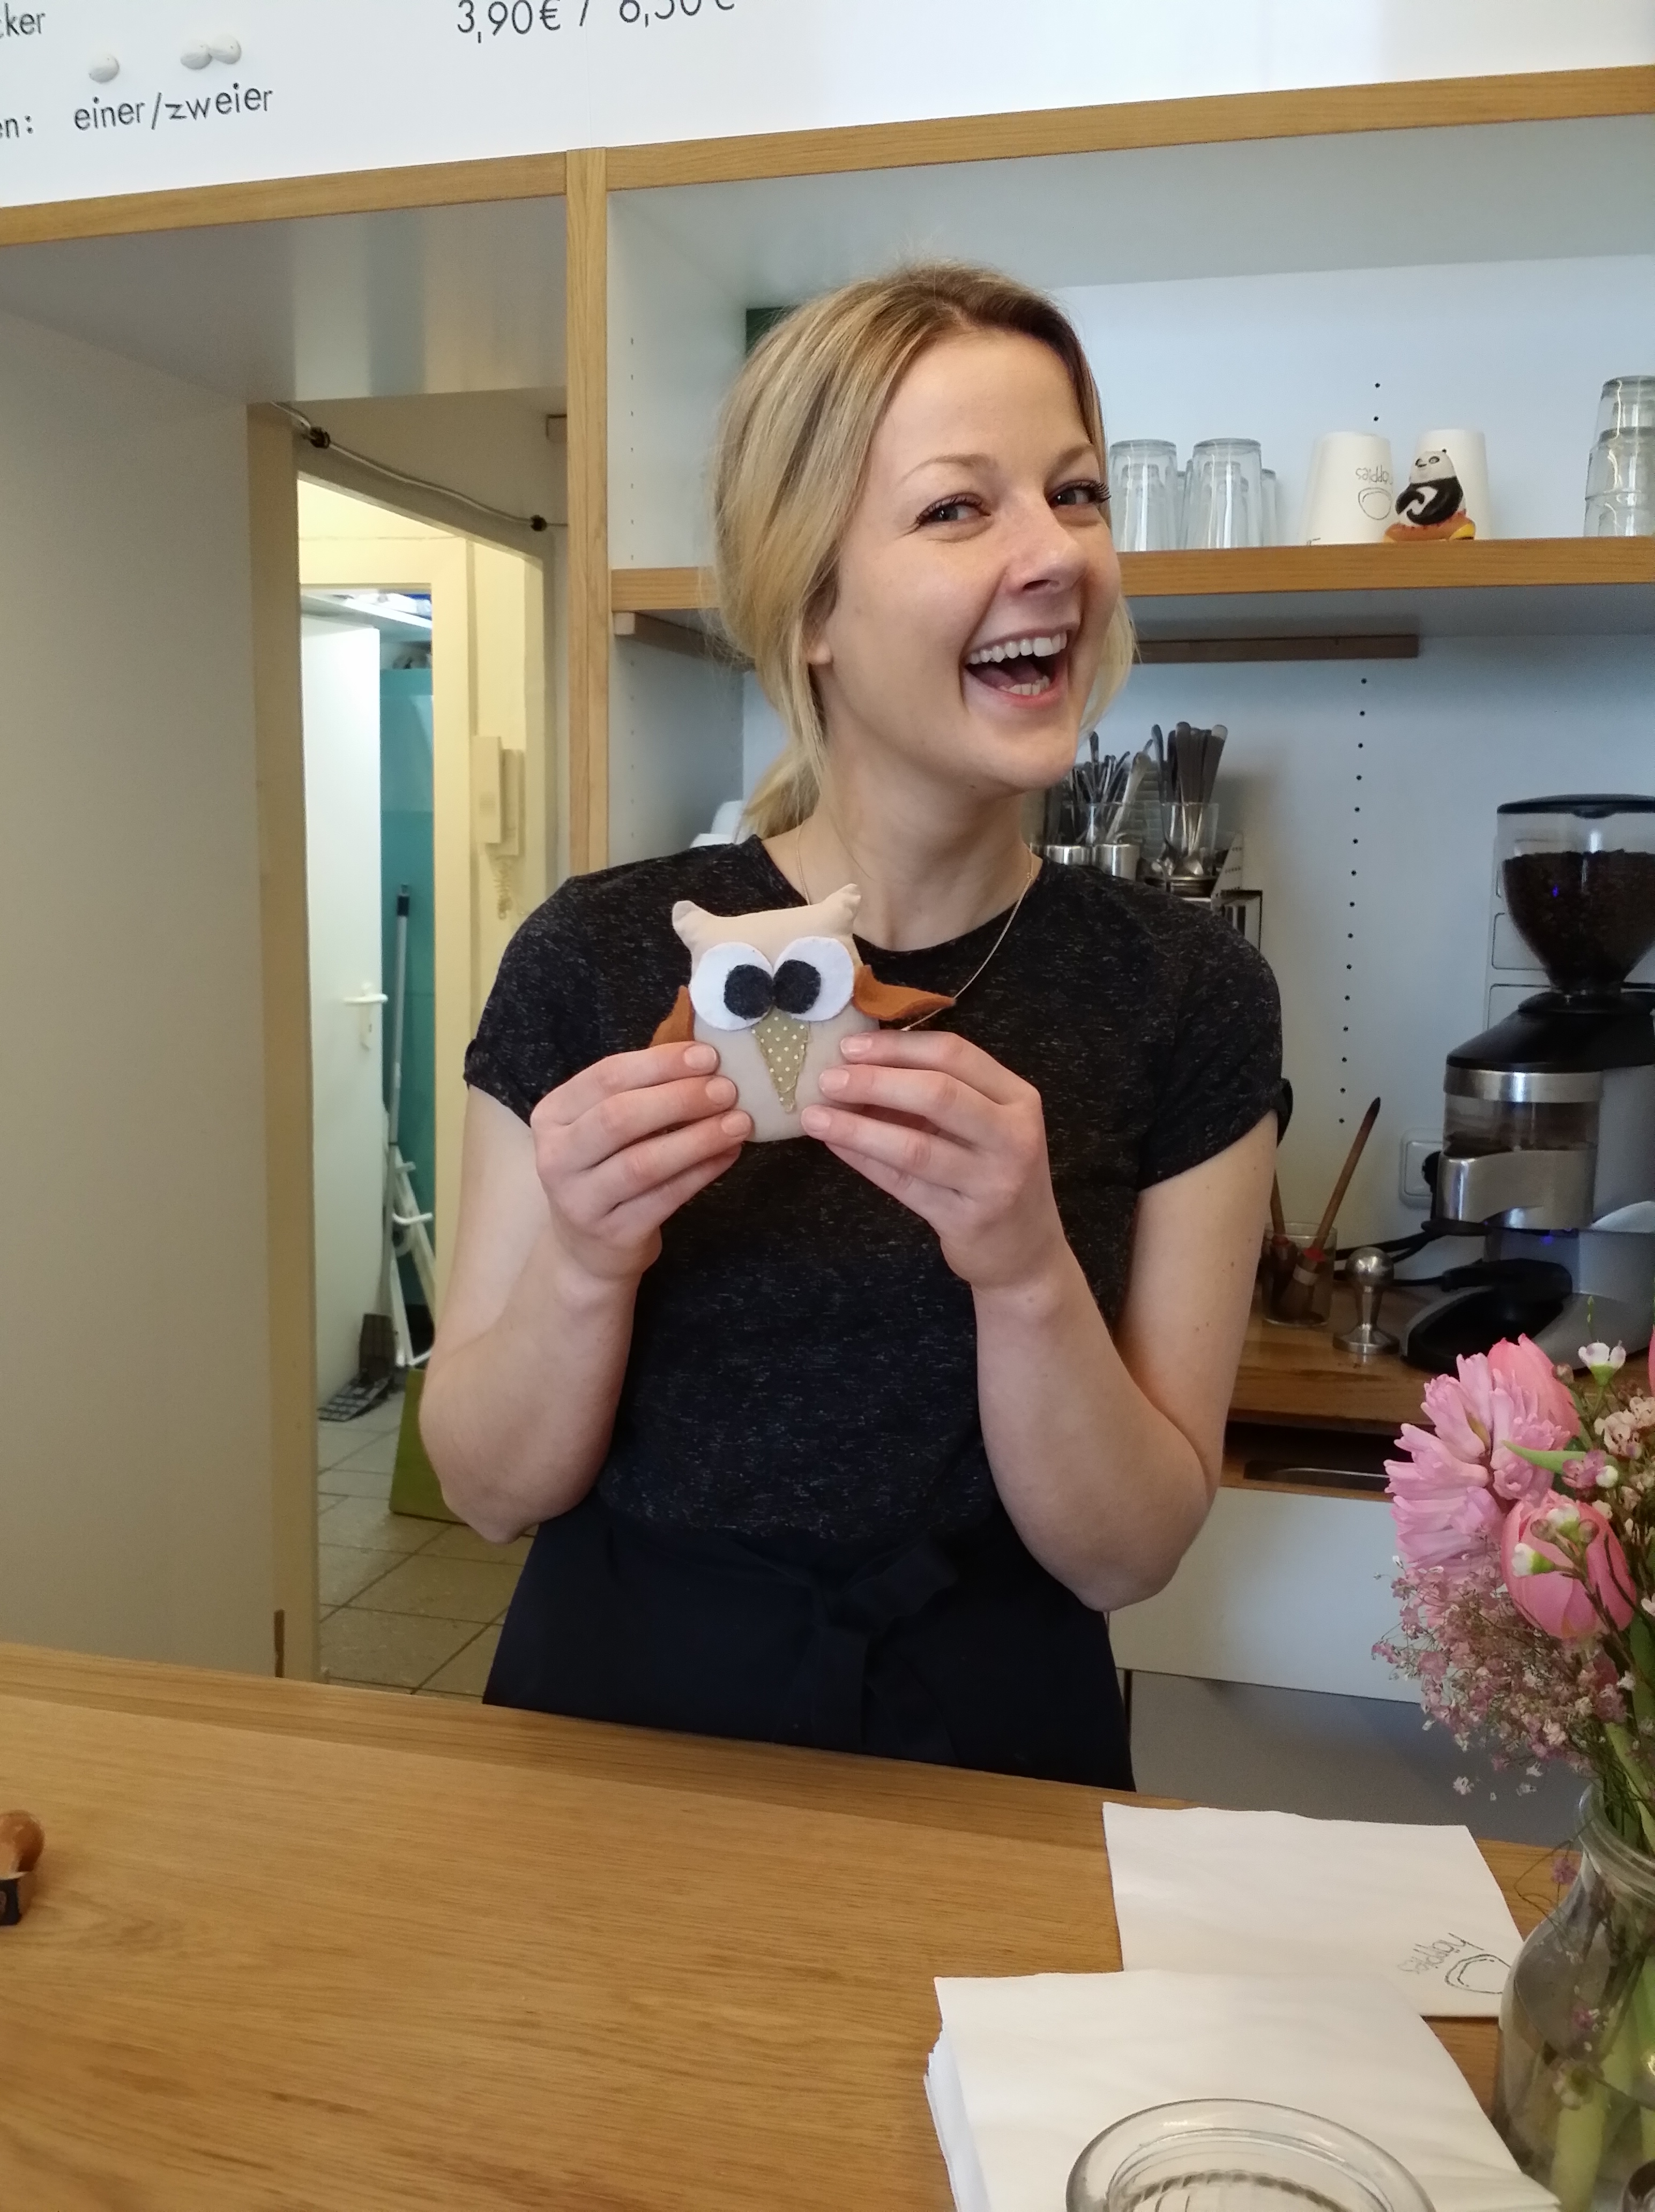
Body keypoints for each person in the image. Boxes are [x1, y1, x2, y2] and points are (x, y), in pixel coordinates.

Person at [420, 264, 1281, 1788]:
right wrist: (588, 1259)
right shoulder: (595, 957)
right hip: (614, 1736)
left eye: (1075, 494)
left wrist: (1025, 1273)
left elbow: (1129, 1553)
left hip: (995, 1747)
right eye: (959, 508)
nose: (1055, 556)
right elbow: (486, 1491)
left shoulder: (1186, 991)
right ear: (811, 604)